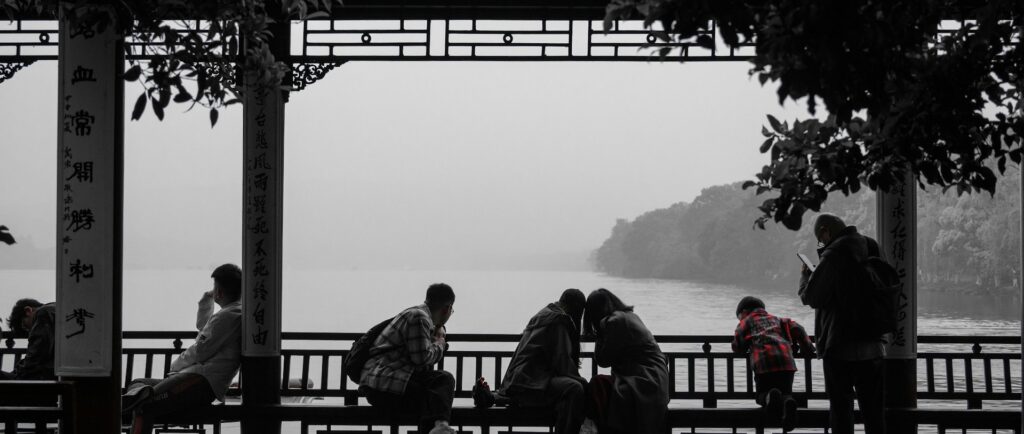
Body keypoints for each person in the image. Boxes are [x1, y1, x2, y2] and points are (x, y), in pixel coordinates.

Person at [121, 264, 243, 434]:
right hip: (197, 379)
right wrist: (206, 303)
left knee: (144, 404)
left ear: (220, 291)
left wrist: (176, 365)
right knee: (138, 386)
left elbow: (201, 350)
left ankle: (120, 409)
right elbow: (205, 329)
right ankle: (125, 405)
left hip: (200, 381)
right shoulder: (233, 312)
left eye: (215, 286)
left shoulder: (228, 316)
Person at [799, 213, 886, 434]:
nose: (822, 242)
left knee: (840, 409)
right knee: (874, 412)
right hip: (874, 343)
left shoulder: (834, 254)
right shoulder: (872, 246)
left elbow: (811, 297)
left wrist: (806, 276)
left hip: (840, 345)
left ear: (826, 231)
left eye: (821, 237)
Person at [473, 288, 587, 434]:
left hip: (518, 381)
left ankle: (492, 397)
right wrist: (584, 382)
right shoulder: (559, 321)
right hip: (531, 385)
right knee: (575, 388)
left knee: (569, 393)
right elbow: (563, 361)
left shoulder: (543, 314)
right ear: (577, 308)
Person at [360, 283, 457, 434]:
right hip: (383, 386)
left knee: (433, 400)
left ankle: (439, 427)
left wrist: (438, 329)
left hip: (382, 384)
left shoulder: (416, 314)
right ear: (447, 308)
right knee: (444, 380)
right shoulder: (419, 317)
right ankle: (441, 426)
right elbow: (422, 359)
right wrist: (439, 343)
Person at [583, 288, 669, 434]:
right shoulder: (630, 316)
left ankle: (589, 429)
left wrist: (599, 334)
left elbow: (603, 360)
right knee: (604, 391)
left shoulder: (614, 321)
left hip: (643, 381)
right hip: (655, 380)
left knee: (598, 385)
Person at [732, 296, 814, 431]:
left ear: (744, 312)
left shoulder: (746, 322)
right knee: (786, 393)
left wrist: (744, 346)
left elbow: (737, 346)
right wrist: (807, 348)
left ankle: (770, 396)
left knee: (761, 396)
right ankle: (787, 401)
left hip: (764, 363)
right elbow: (798, 329)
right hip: (786, 363)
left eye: (739, 316)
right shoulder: (780, 320)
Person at [2, 298, 55, 380]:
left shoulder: (43, 313)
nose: (31, 331)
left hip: (47, 375)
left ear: (28, 310)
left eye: (27, 327)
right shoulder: (56, 308)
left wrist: (18, 372)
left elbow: (37, 355)